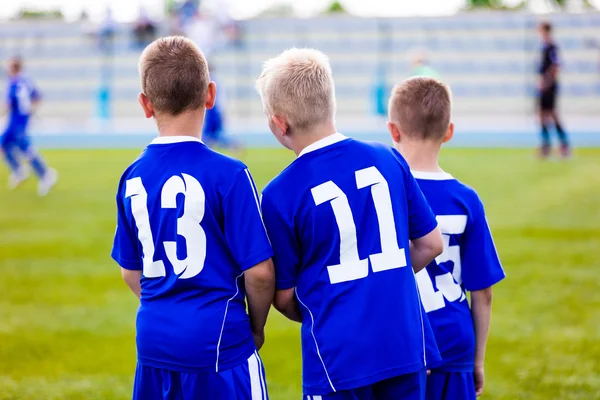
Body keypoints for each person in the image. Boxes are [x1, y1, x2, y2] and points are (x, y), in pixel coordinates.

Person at [256, 48, 444, 400]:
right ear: (331, 102)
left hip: (338, 355)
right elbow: (431, 243)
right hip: (403, 340)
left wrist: (330, 301)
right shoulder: (388, 157)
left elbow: (283, 296)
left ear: (279, 123)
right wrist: (383, 278)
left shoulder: (280, 193)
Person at [110, 36, 274, 400]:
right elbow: (260, 272)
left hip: (153, 342)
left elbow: (129, 271)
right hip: (218, 345)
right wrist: (256, 327)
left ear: (145, 105)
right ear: (210, 95)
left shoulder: (132, 177)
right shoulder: (230, 174)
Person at [387, 76, 506, 400]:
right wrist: (477, 360)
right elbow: (482, 292)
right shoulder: (465, 199)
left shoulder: (385, 194)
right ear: (449, 132)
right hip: (454, 336)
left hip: (399, 336)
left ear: (393, 131)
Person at [1, 57, 57, 196]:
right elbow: (37, 97)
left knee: (26, 149)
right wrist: (32, 112)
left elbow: (8, 105)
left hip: (16, 122)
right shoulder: (26, 81)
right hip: (19, 121)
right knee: (4, 144)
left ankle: (45, 174)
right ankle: (20, 171)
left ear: (12, 68)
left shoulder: (14, 84)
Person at [537, 21, 571, 159]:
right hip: (545, 86)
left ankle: (564, 144)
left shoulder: (552, 47)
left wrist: (546, 82)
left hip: (549, 86)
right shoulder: (545, 47)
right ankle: (546, 145)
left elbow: (556, 66)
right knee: (542, 115)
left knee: (552, 114)